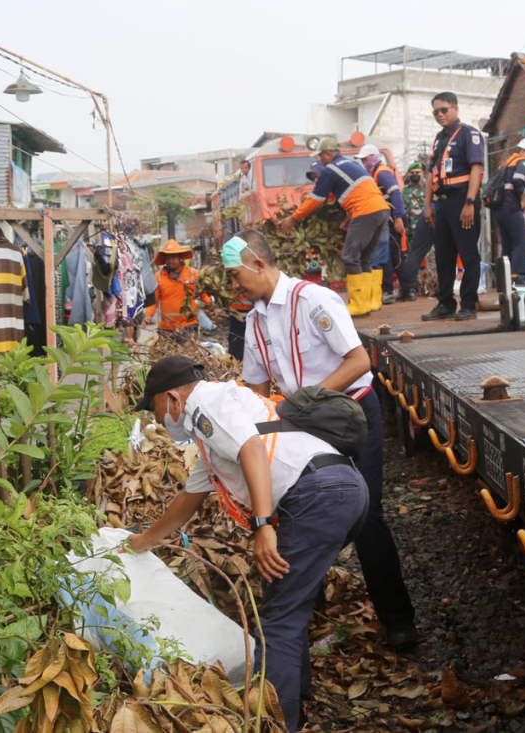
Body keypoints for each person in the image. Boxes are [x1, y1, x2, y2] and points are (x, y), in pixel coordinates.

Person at [125, 355, 368, 732]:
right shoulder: (216, 424)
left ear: (172, 397)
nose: (156, 419)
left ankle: (278, 722)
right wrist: (142, 541)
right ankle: (293, 706)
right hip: (339, 488)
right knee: (286, 607)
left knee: (277, 621)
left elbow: (251, 449)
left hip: (317, 495)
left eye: (155, 407)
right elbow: (190, 498)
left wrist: (263, 525)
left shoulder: (205, 405)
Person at [224, 229, 419, 650]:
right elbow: (256, 386)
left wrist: (311, 401)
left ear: (259, 263)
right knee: (297, 515)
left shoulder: (313, 301)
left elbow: (359, 360)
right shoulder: (254, 321)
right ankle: (299, 618)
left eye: (236, 275)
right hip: (304, 422)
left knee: (367, 518)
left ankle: (399, 620)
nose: (234, 285)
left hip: (349, 414)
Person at [278, 137, 391, 317]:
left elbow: (315, 199)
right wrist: (350, 216)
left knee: (350, 256)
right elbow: (360, 191)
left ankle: (358, 305)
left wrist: (293, 218)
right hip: (381, 210)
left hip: (365, 211)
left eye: (320, 156)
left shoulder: (330, 170)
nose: (320, 161)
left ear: (328, 154)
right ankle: (371, 302)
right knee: (365, 257)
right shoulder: (351, 164)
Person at [421, 92, 487, 322]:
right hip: (443, 205)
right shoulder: (440, 138)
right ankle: (445, 303)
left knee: (468, 255)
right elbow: (432, 174)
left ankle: (468, 305)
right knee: (443, 256)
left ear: (455, 108)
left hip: (463, 201)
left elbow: (476, 169)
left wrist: (470, 202)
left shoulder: (469, 134)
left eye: (444, 110)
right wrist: (427, 205)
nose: (439, 115)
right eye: (435, 112)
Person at [358, 144, 408, 306]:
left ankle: (388, 291)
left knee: (387, 255)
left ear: (373, 157)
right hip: (389, 218)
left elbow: (395, 192)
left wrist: (398, 216)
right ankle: (406, 289)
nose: (364, 163)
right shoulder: (376, 173)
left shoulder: (382, 172)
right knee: (394, 254)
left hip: (392, 219)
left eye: (365, 159)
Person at [143, 240, 209, 343]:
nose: (170, 261)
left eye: (173, 257)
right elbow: (154, 299)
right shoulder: (159, 277)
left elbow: (203, 295)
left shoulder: (193, 274)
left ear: (180, 257)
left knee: (186, 356)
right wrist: (148, 315)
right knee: (167, 358)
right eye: (167, 258)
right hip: (166, 328)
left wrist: (211, 306)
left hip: (188, 326)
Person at [496, 138, 525, 285]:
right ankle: (518, 276)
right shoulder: (522, 162)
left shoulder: (507, 161)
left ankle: (503, 279)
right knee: (520, 242)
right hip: (512, 206)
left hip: (500, 208)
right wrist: (523, 199)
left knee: (507, 244)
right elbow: (518, 180)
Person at [395, 162, 430, 301]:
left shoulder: (429, 187)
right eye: (412, 173)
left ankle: (432, 287)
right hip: (412, 230)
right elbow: (404, 210)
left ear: (423, 173)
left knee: (431, 259)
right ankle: (413, 288)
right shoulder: (406, 190)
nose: (415, 175)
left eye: (418, 172)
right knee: (413, 259)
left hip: (429, 227)